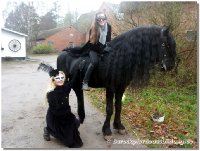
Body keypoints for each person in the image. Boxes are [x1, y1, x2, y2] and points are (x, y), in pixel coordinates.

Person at [39, 63, 83, 148]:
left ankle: (67, 130)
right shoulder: (51, 93)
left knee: (76, 123)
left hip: (65, 114)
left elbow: (73, 81)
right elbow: (57, 112)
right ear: (53, 80)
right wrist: (68, 122)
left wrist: (78, 70)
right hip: (56, 118)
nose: (60, 80)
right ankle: (48, 129)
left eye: (62, 78)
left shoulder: (65, 87)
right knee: (69, 141)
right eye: (57, 78)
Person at [82, 11, 112, 91]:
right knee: (94, 62)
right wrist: (101, 50)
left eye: (103, 19)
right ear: (96, 20)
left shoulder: (108, 27)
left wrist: (107, 47)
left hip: (103, 48)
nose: (101, 20)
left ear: (105, 19)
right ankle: (85, 82)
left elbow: (108, 39)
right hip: (93, 49)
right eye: (99, 19)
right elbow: (92, 43)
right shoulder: (93, 28)